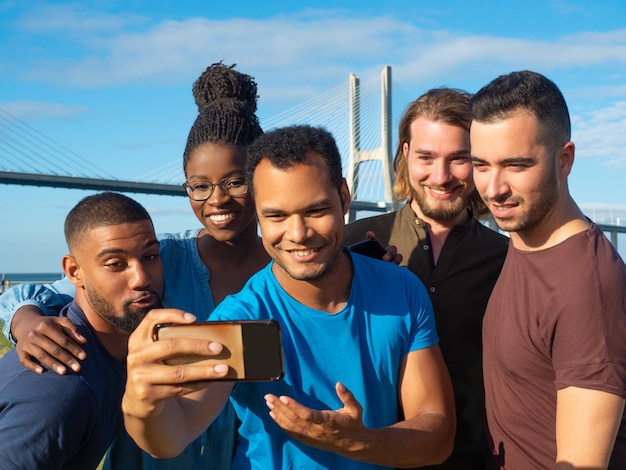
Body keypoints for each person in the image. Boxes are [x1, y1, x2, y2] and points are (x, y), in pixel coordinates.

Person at [122, 124, 456, 469]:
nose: (298, 234)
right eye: (276, 215)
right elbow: (173, 436)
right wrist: (139, 405)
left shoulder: (401, 289)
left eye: (315, 211)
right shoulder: (241, 317)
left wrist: (358, 442)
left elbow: (438, 434)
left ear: (343, 196)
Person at [0, 62, 269, 469]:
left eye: (236, 181)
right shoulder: (160, 258)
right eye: (199, 186)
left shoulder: (287, 271)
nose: (217, 200)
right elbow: (31, 294)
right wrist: (27, 322)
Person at [344, 88, 508, 469]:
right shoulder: (351, 245)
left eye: (459, 159)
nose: (441, 176)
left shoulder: (507, 260)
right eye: (426, 157)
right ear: (404, 155)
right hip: (371, 458)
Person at [469, 70, 626, 469]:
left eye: (516, 165)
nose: (493, 188)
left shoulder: (586, 285)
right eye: (481, 165)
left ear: (564, 160)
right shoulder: (526, 240)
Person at [0, 192, 164, 469]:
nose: (142, 279)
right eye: (116, 264)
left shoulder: (108, 354)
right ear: (74, 271)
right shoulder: (59, 387)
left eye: (150, 256)